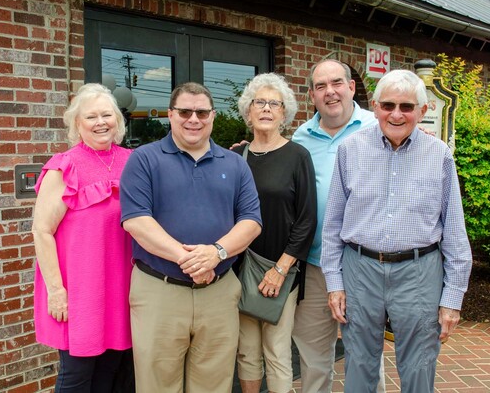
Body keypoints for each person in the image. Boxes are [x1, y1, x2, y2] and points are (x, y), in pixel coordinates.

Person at [320, 69, 473, 393]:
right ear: (374, 106)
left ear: (423, 110)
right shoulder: (350, 150)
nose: (396, 114)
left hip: (419, 273)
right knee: (359, 368)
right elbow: (332, 225)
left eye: (406, 106)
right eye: (388, 105)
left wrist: (452, 299)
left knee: (419, 369)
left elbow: (456, 235)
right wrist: (335, 283)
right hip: (360, 270)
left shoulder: (439, 156)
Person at [120, 82, 262, 392]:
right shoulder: (143, 159)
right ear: (170, 115)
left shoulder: (235, 164)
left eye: (201, 112)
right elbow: (136, 221)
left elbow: (251, 221)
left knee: (214, 383)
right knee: (157, 384)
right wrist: (194, 261)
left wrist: (217, 253)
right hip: (160, 291)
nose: (193, 119)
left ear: (212, 116)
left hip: (219, 292)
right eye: (184, 111)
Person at [32, 83, 133, 392]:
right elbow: (42, 231)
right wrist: (56, 291)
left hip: (123, 285)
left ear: (117, 119)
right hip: (81, 290)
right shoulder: (64, 166)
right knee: (77, 377)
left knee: (116, 373)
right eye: (91, 117)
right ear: (77, 123)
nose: (101, 122)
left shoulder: (134, 161)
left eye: (107, 114)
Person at [291, 59, 383, 393]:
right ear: (312, 95)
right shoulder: (301, 137)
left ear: (351, 88)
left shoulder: (379, 126)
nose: (330, 92)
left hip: (364, 265)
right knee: (313, 361)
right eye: (320, 86)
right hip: (315, 265)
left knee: (365, 358)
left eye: (336, 83)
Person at [232, 73, 317, 393]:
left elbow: (307, 220)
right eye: (259, 103)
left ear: (284, 113)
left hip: (281, 270)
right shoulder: (236, 157)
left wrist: (281, 269)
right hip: (240, 270)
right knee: (247, 352)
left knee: (278, 353)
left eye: (274, 104)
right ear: (248, 111)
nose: (266, 109)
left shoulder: (298, 157)